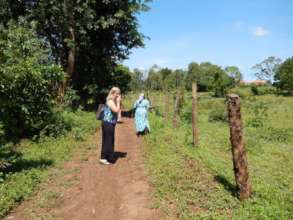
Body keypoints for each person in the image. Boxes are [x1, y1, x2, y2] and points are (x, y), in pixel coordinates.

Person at [100, 87, 121, 165]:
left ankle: (108, 157)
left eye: (119, 93)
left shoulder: (112, 100)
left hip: (110, 123)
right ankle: (104, 158)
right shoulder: (110, 101)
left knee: (110, 140)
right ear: (113, 93)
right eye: (117, 93)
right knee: (108, 140)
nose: (118, 95)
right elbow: (116, 110)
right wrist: (118, 102)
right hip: (107, 123)